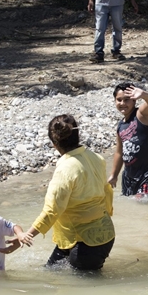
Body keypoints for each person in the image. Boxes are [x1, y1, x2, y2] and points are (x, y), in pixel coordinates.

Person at [17, 115, 115, 271]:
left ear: (54, 144)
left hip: (86, 244)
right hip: (100, 235)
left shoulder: (65, 170)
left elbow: (52, 211)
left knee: (81, 289)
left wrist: (25, 236)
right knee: (51, 271)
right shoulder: (96, 158)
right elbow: (107, 191)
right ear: (77, 136)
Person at [108, 83, 148, 197]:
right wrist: (114, 175)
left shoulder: (141, 115)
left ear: (134, 101)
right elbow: (119, 152)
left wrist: (143, 95)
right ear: (114, 101)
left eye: (127, 100)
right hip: (128, 176)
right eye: (119, 100)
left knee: (143, 203)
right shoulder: (120, 126)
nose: (122, 103)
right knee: (128, 202)